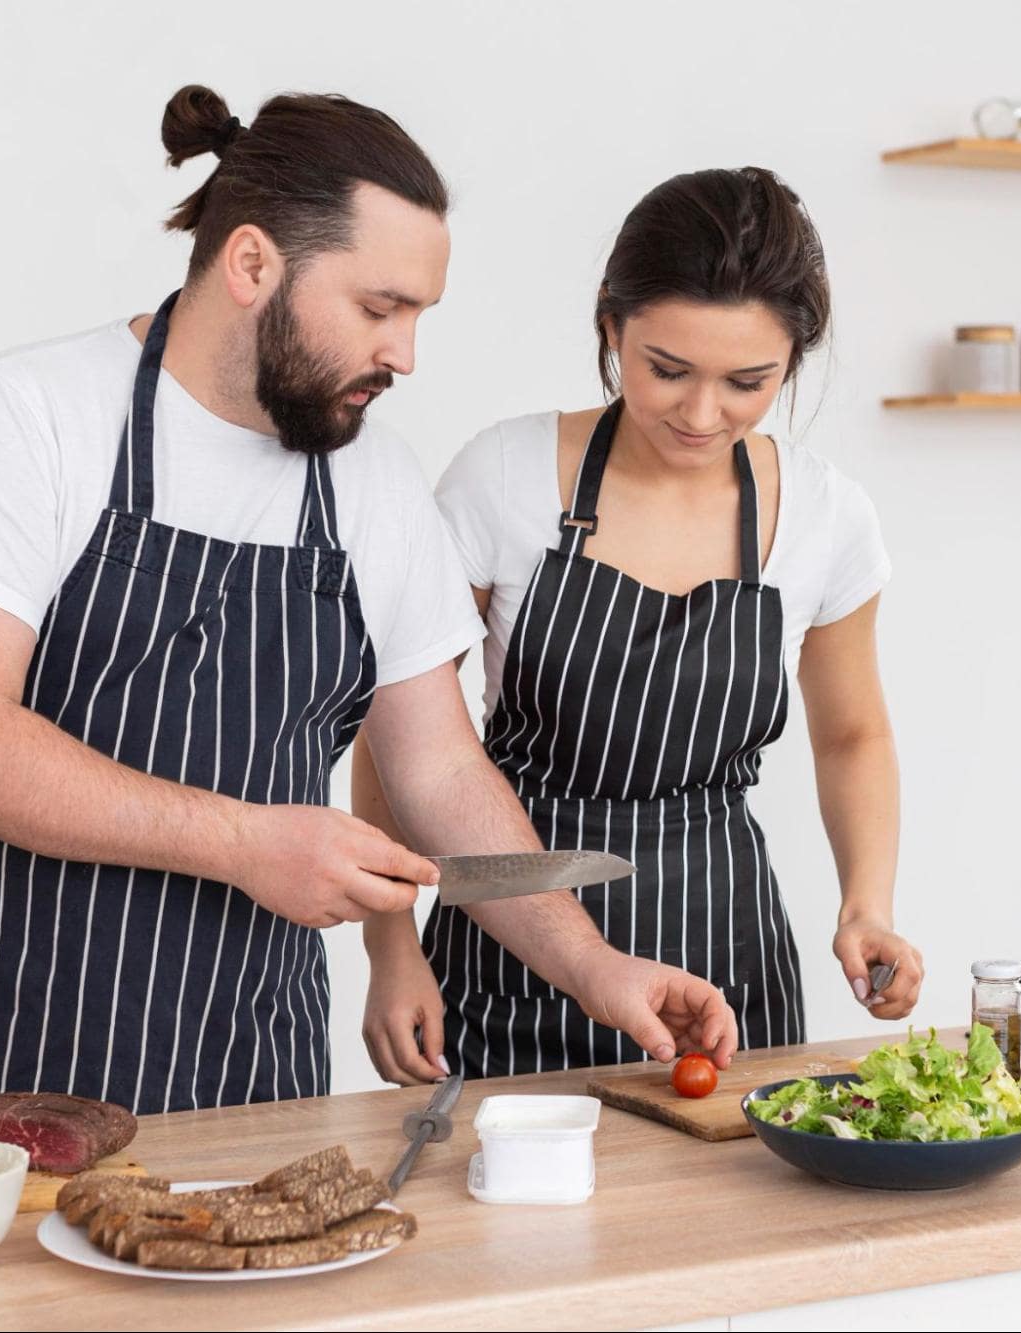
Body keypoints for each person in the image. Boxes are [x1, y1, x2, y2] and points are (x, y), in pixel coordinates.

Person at [0, 85, 736, 1126]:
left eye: (418, 315)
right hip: (9, 1041)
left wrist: (594, 968)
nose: (405, 354)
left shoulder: (372, 481)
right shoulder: (27, 417)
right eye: (379, 309)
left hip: (252, 1063)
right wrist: (242, 844)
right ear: (250, 266)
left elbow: (439, 768)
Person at [354, 167, 919, 1084]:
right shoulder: (504, 476)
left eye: (747, 382)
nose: (702, 414)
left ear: (794, 360)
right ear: (610, 327)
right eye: (666, 370)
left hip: (723, 965)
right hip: (511, 946)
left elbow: (853, 734)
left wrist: (866, 903)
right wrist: (391, 947)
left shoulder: (826, 516)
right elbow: (395, 734)